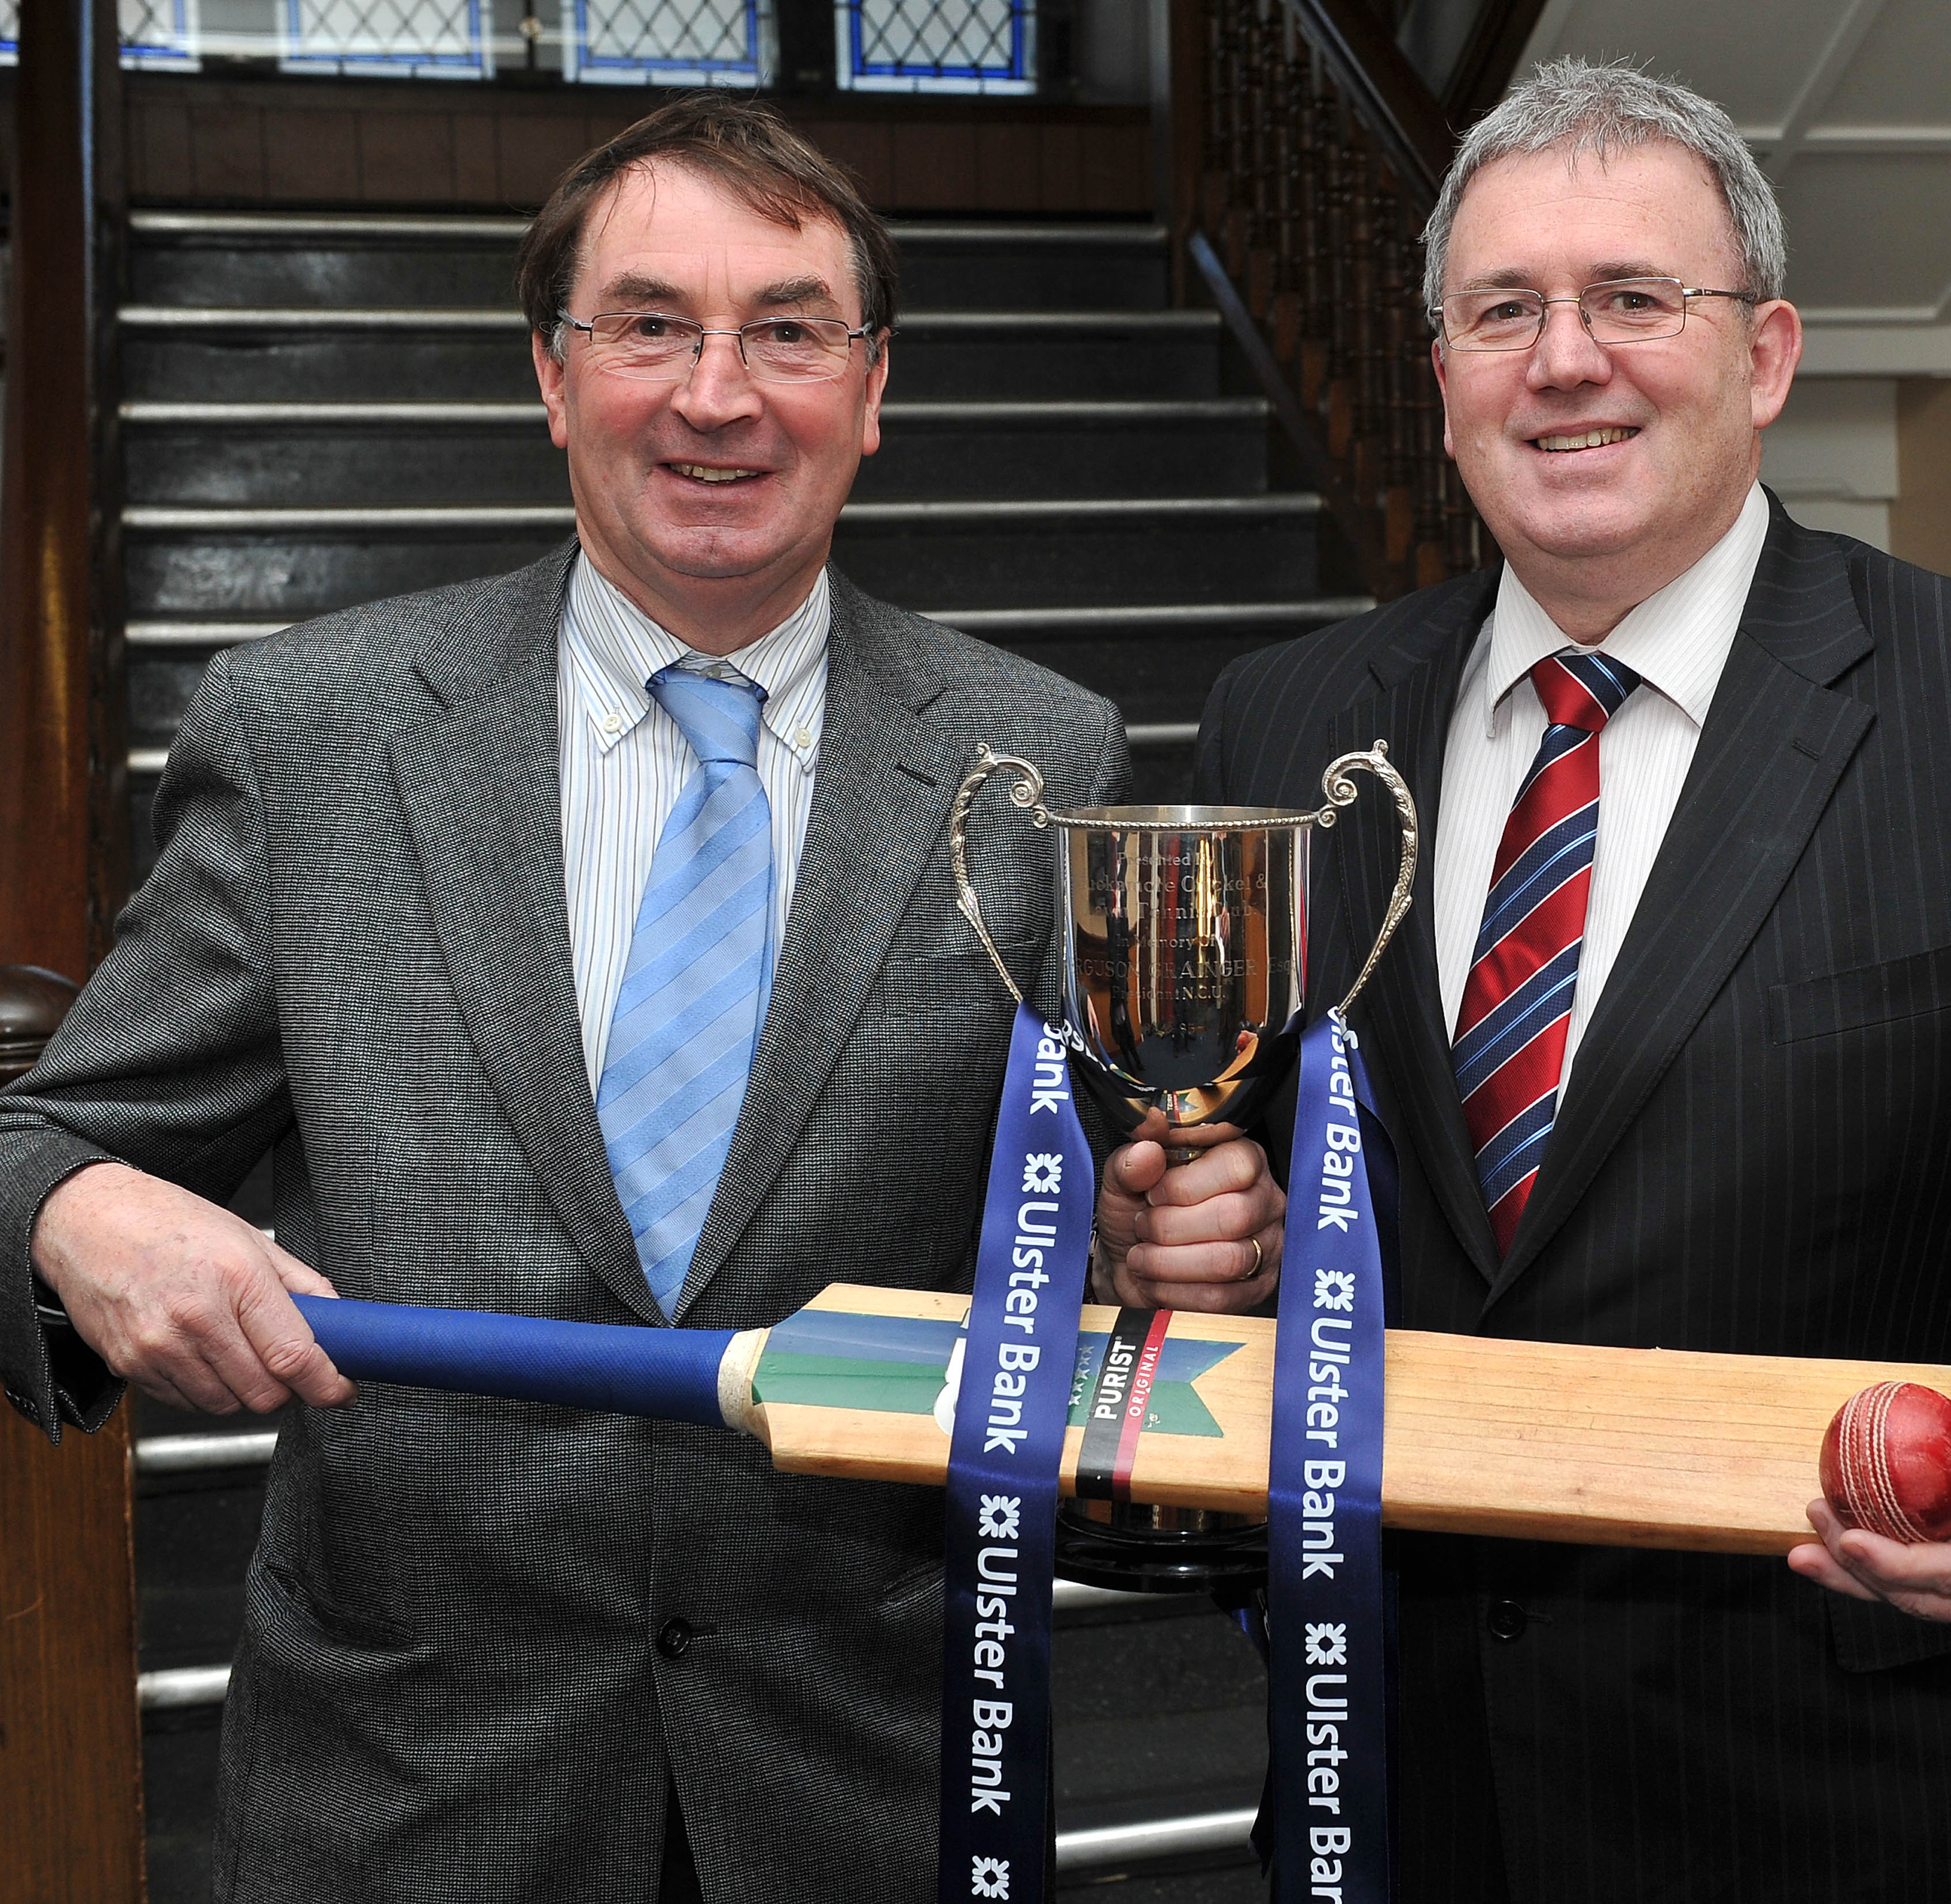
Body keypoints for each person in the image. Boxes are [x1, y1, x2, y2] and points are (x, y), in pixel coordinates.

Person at [0, 98, 1281, 1902]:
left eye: (787, 328)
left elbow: (1071, 1237)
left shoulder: (1041, 760)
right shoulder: (314, 736)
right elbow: (40, 1135)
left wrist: (1178, 1245)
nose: (717, 393)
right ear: (550, 374)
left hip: (864, 1777)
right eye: (652, 324)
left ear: (873, 385)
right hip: (415, 1788)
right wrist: (73, 1204)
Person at [1197, 57, 1951, 1904]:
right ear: (1440, 376)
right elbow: (1265, 1185)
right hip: (1396, 1791)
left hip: (1859, 1806)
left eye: (1630, 300)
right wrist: (1180, 1230)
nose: (1563, 358)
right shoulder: (1289, 721)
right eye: (1501, 308)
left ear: (1761, 358)